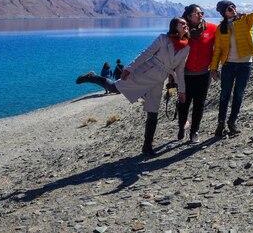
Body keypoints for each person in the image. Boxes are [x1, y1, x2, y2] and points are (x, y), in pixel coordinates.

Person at [76, 18, 190, 156]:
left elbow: (180, 70)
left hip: (159, 81)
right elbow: (146, 53)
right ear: (174, 26)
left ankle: (147, 147)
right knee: (114, 88)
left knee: (153, 111)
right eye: (182, 24)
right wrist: (129, 69)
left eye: (186, 24)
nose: (186, 26)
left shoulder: (186, 47)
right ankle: (91, 77)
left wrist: (182, 91)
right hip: (144, 72)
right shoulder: (163, 39)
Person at [210, 0, 253, 137]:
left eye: (233, 6)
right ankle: (221, 124)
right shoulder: (221, 29)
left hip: (245, 64)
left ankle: (232, 122)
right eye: (228, 8)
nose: (232, 9)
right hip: (228, 65)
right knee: (224, 94)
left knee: (238, 94)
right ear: (223, 13)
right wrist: (213, 68)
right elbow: (218, 49)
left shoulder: (246, 20)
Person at [177, 4, 217, 144]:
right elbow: (171, 47)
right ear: (188, 16)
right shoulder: (182, 30)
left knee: (199, 104)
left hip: (203, 74)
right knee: (183, 104)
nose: (200, 15)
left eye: (201, 13)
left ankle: (194, 131)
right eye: (197, 13)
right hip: (184, 75)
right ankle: (182, 126)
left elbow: (224, 39)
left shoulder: (212, 28)